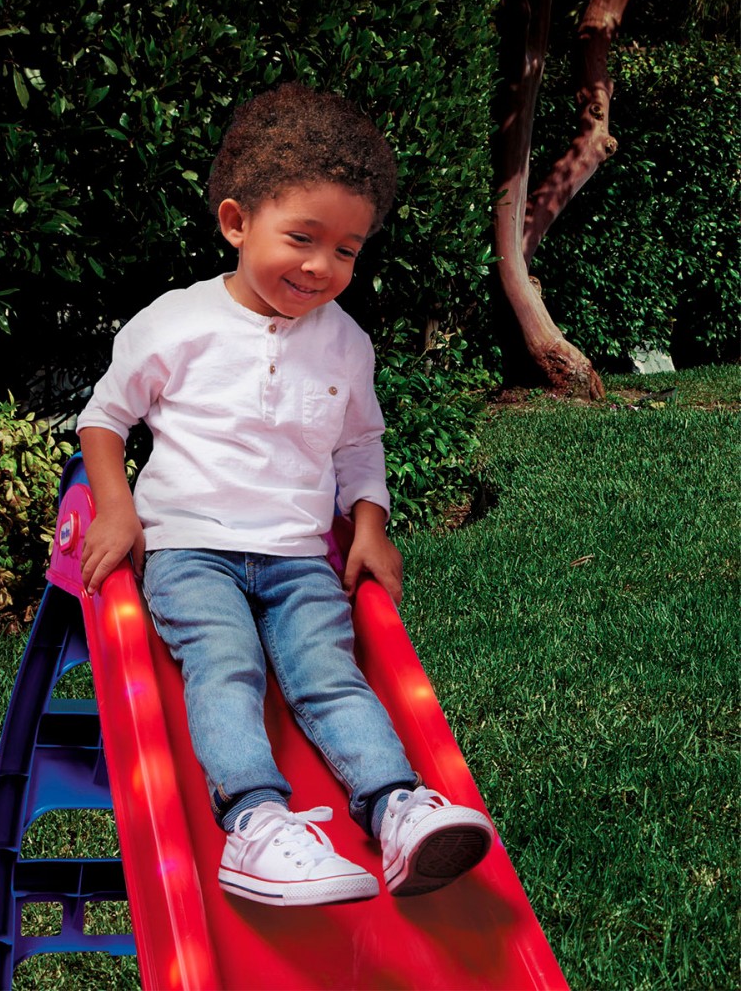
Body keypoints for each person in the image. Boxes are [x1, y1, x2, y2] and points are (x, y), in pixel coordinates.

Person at [76, 82, 493, 907]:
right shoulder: (176, 322)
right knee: (226, 664)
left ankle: (397, 806)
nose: (321, 266)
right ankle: (256, 824)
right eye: (302, 238)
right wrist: (117, 509)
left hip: (301, 558)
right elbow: (104, 417)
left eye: (346, 250)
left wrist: (369, 526)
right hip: (191, 550)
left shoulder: (346, 344)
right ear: (237, 223)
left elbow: (358, 445)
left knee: (330, 673)